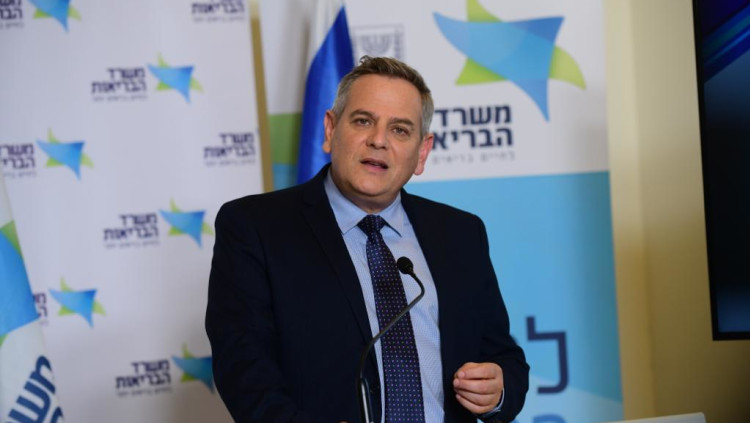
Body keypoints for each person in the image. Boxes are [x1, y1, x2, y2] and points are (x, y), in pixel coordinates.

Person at [206, 56, 528, 423]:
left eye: (400, 130)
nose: (378, 141)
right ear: (330, 130)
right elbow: (243, 369)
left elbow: (503, 357)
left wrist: (497, 390)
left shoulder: (460, 233)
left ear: (422, 152)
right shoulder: (255, 227)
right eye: (363, 121)